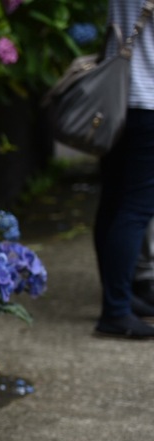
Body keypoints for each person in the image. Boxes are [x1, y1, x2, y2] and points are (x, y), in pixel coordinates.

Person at [93, 0, 154, 338]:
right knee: (137, 207)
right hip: (146, 99)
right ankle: (115, 310)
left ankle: (121, 298)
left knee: (115, 201)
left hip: (116, 99)